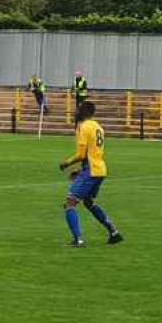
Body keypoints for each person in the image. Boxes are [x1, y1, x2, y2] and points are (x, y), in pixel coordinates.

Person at [59, 101, 123, 247]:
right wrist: (82, 170)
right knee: (88, 202)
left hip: (91, 170)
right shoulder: (98, 127)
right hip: (100, 169)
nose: (76, 111)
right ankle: (114, 233)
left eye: (78, 109)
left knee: (70, 202)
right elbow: (94, 153)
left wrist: (67, 163)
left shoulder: (84, 127)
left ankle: (78, 240)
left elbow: (82, 154)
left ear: (83, 111)